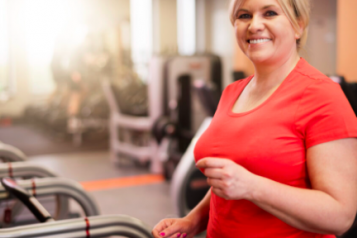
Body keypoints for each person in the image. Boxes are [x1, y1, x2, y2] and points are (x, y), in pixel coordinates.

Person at [152, 0, 357, 237]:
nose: (254, 25)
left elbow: (340, 215)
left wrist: (252, 187)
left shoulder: (321, 96)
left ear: (298, 25)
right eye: (244, 15)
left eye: (269, 13)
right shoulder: (233, 92)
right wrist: (193, 220)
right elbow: (230, 180)